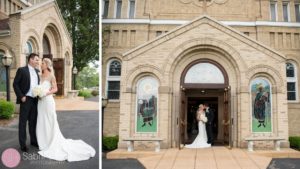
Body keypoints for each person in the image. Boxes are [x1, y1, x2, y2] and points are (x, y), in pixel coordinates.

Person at [36, 58, 95, 161]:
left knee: (50, 121)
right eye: (41, 63)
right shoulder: (40, 76)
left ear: (47, 65)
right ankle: (43, 141)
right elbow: (38, 87)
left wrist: (45, 93)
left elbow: (55, 89)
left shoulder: (51, 76)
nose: (41, 64)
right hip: (40, 102)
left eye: (43, 63)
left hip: (48, 101)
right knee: (42, 121)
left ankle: (51, 142)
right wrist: (38, 93)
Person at [13, 53, 40, 152]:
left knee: (33, 122)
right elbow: (15, 84)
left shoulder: (38, 71)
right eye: (36, 59)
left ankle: (33, 141)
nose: (38, 61)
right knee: (23, 123)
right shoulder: (21, 70)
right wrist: (21, 96)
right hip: (26, 99)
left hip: (35, 100)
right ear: (31, 60)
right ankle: (23, 144)